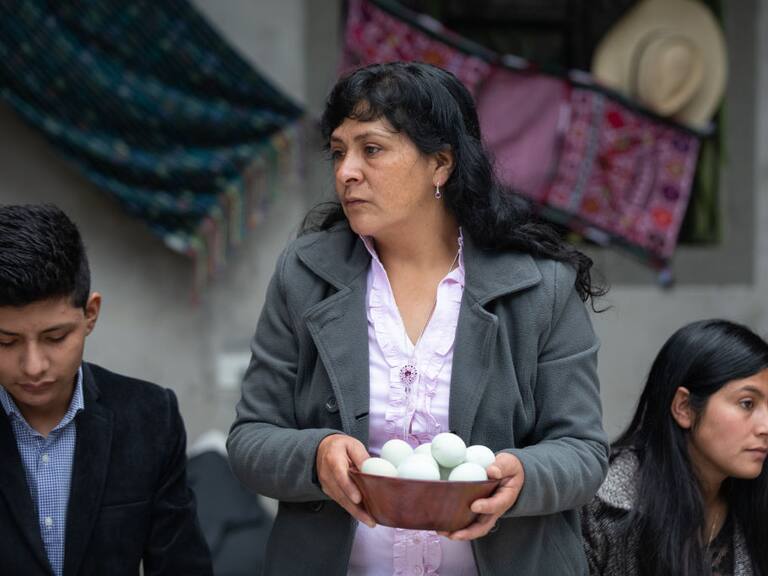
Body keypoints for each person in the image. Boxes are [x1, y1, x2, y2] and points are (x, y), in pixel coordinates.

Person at [227, 61, 609, 576]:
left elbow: (583, 451)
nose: (346, 172)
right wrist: (317, 455)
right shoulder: (305, 274)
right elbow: (251, 439)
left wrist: (522, 474)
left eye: (372, 149)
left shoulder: (541, 286)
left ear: (441, 164)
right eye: (338, 152)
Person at [0, 204, 213, 576]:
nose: (33, 366)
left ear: (90, 315)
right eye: (6, 341)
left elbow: (182, 566)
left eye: (55, 337)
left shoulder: (150, 418)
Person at [581, 319, 768, 576]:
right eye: (747, 403)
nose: (765, 426)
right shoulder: (598, 507)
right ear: (684, 408)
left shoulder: (755, 503)